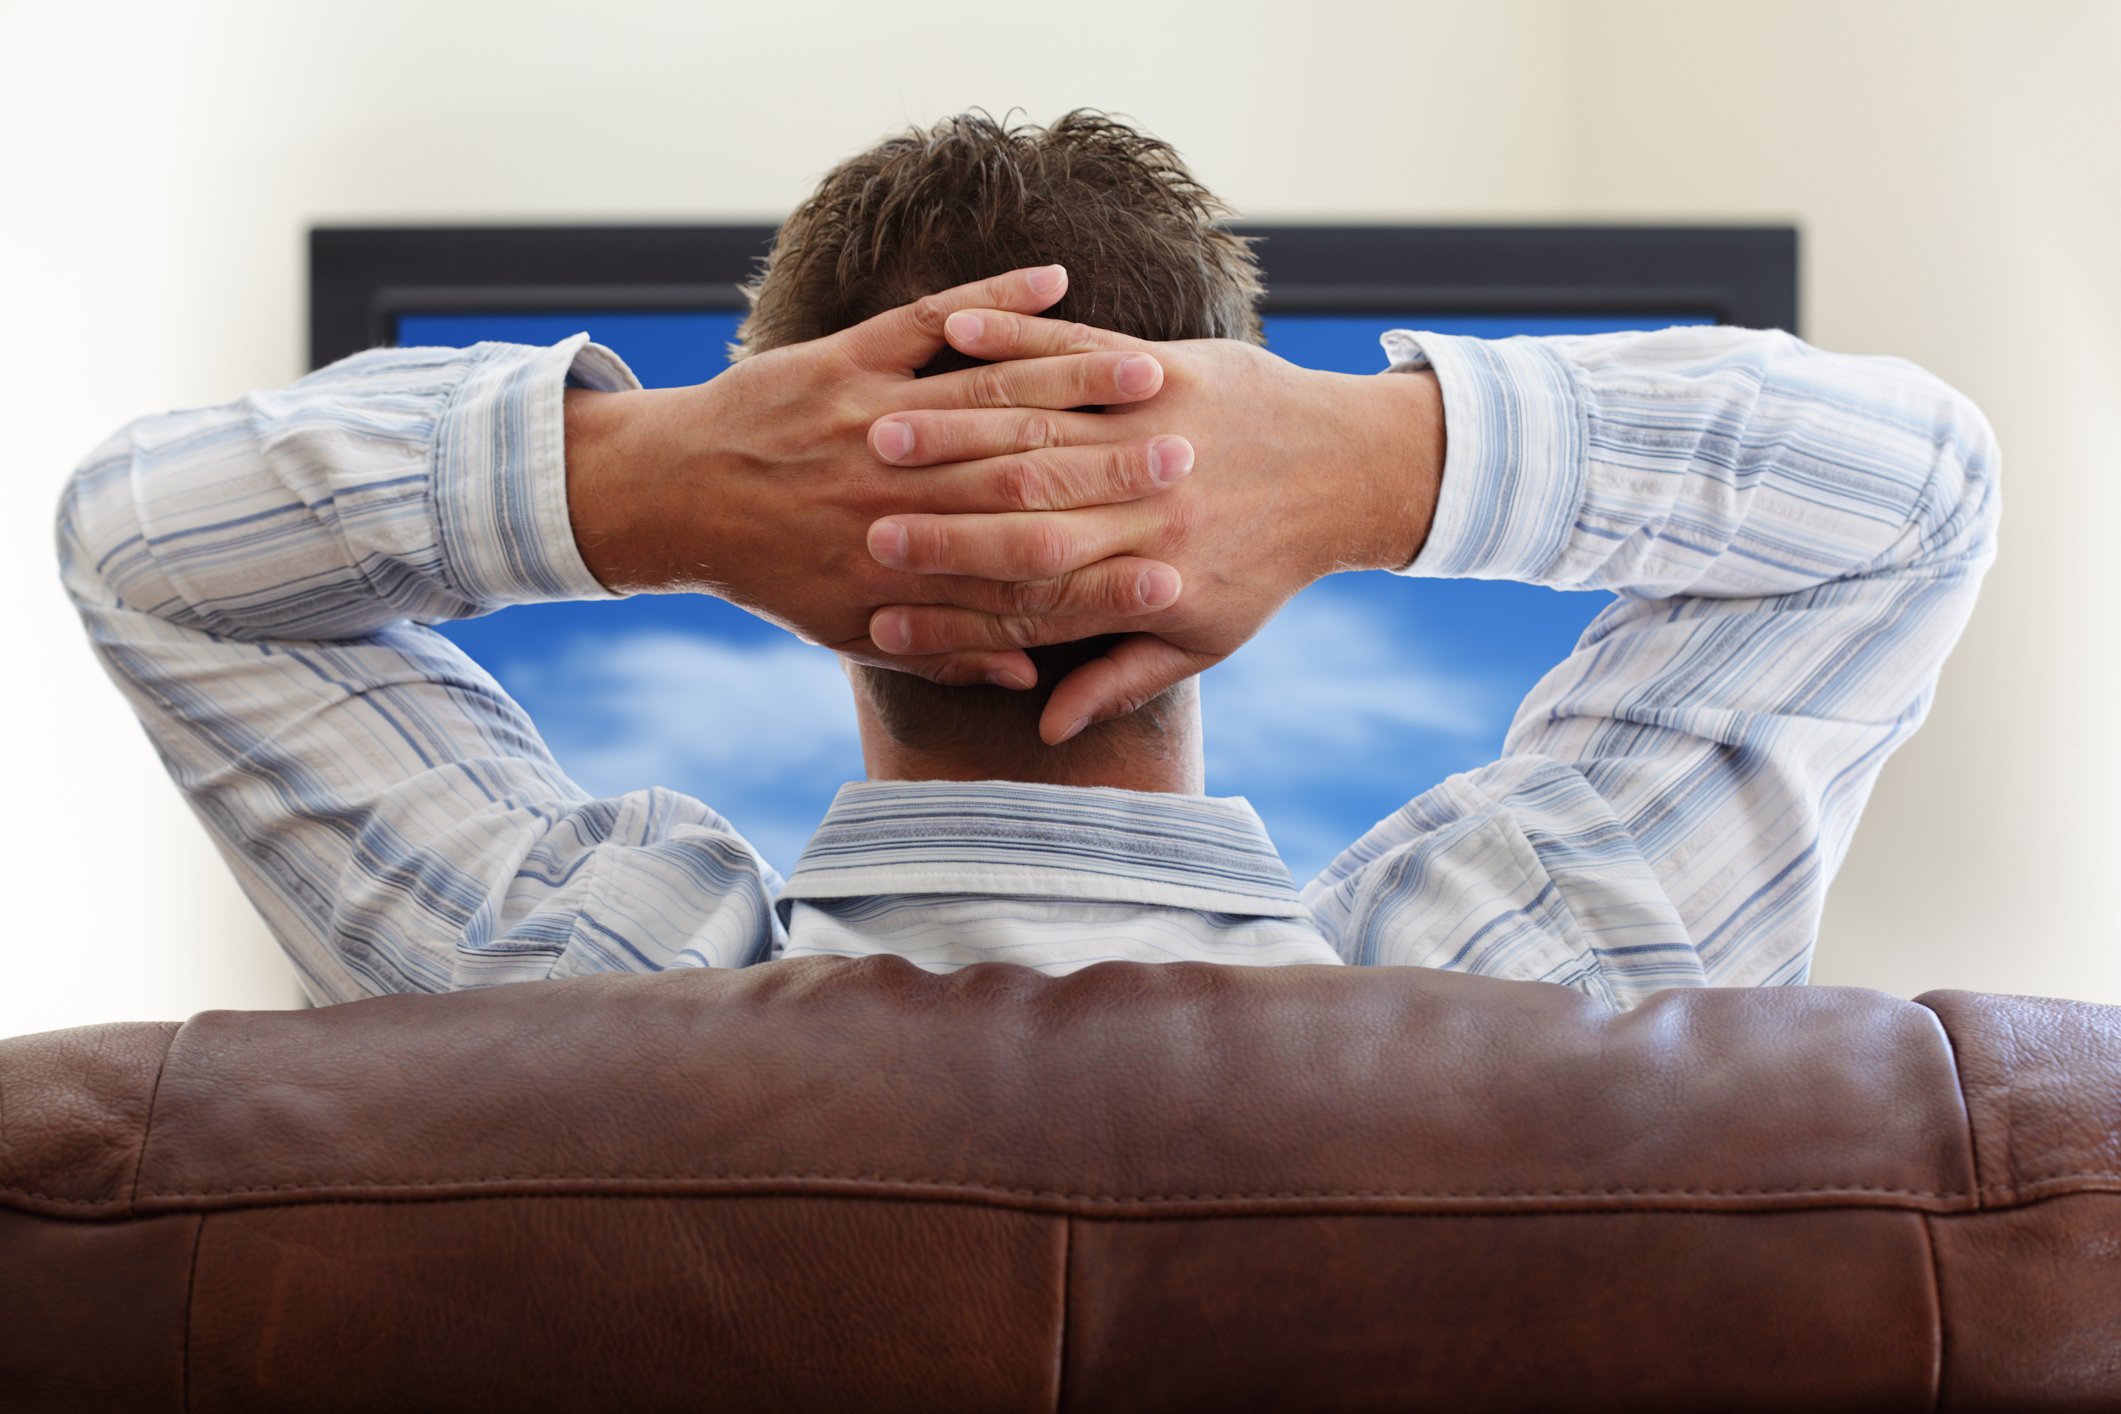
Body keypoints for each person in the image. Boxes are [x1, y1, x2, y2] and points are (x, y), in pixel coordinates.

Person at [58, 112, 1998, 1008]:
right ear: (1218, 497)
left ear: (788, 524)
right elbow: (1911, 494)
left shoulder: (576, 994)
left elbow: (140, 542)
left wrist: (643, 475)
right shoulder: (1516, 988)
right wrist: (1372, 452)